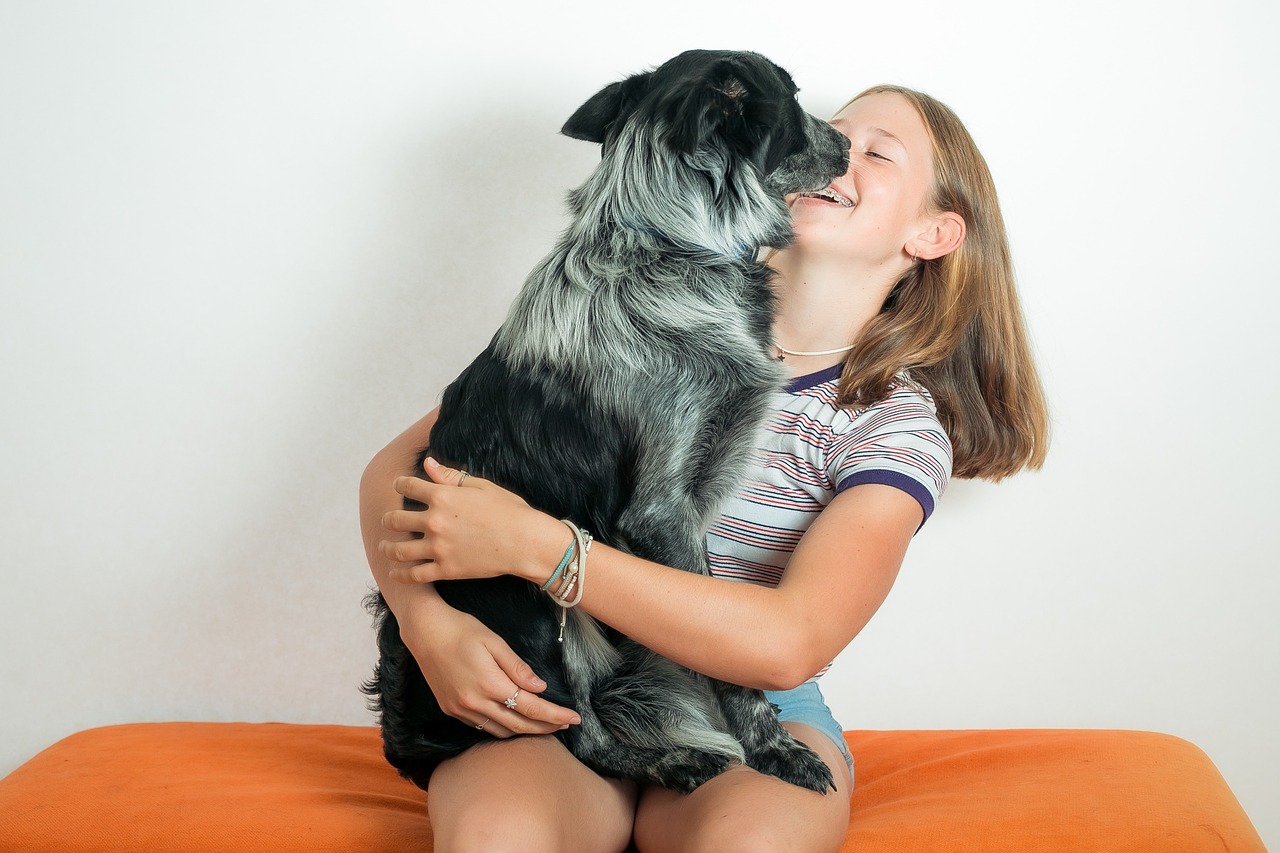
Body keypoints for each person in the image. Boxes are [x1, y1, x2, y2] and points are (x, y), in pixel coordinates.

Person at [359, 84, 1048, 853]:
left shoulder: (891, 425)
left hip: (750, 713)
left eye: (878, 150)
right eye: (828, 130)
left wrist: (539, 549)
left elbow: (791, 641)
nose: (832, 145)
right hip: (555, 683)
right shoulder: (624, 311)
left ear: (934, 232)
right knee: (499, 836)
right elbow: (396, 470)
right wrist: (427, 624)